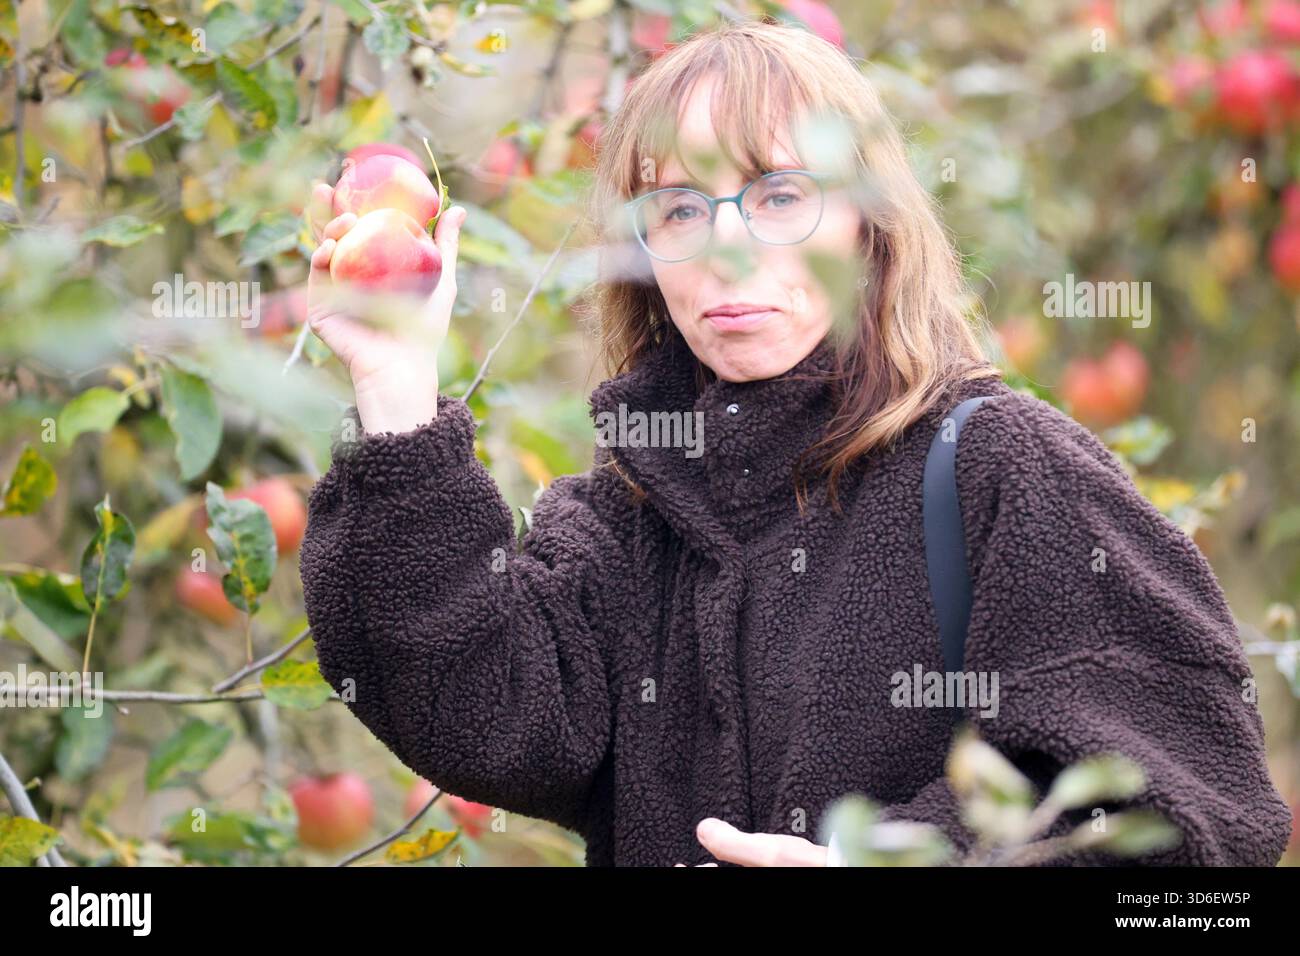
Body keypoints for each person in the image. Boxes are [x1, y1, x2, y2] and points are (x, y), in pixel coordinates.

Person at [298, 20, 1292, 867]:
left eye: (778, 196)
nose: (727, 247)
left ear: (869, 224)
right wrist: (396, 390)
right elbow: (475, 710)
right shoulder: (625, 518)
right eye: (679, 209)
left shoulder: (1004, 472)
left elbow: (1192, 813)